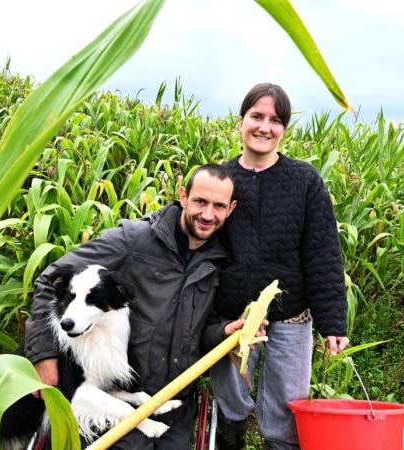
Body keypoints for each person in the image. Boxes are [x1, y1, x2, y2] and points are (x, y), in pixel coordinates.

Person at [23, 164, 241, 449]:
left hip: (175, 404)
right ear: (184, 196)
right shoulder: (133, 239)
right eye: (200, 201)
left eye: (218, 206)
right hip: (120, 396)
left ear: (230, 209)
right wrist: (43, 354)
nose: (208, 214)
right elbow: (49, 281)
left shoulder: (219, 261)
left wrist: (226, 332)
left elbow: (203, 331)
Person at [211, 83, 349, 450]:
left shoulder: (304, 181)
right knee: (229, 399)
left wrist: (332, 321)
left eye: (275, 120)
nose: (264, 127)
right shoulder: (222, 181)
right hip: (234, 317)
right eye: (256, 116)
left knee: (287, 410)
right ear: (240, 122)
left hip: (292, 316)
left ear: (284, 129)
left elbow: (323, 254)